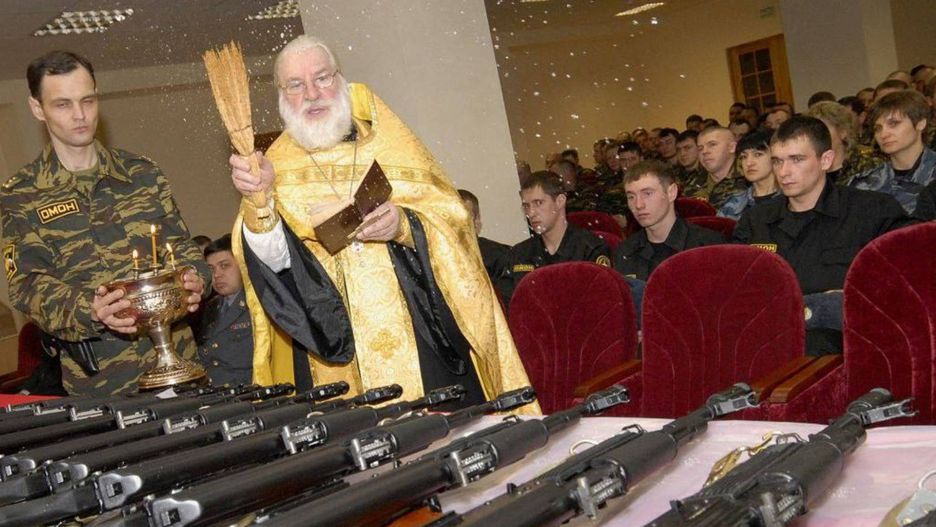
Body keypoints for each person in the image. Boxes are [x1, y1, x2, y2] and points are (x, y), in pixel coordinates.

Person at [228, 36, 535, 411]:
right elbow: (274, 268)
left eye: (322, 78)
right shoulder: (272, 169)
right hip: (329, 343)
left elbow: (453, 220)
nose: (311, 93)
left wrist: (404, 226)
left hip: (418, 328)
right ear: (281, 95)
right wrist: (260, 201)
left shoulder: (393, 144)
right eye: (295, 84)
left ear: (341, 80)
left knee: (437, 435)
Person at [0, 51, 207, 396]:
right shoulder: (21, 195)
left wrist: (196, 278)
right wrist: (91, 309)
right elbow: (27, 285)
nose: (80, 115)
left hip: (180, 366)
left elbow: (182, 247)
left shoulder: (141, 174)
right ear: (37, 108)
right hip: (104, 385)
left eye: (87, 100)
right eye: (63, 105)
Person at [734, 116, 913, 355]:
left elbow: (903, 288)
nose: (784, 172)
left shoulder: (873, 211)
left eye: (797, 159)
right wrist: (820, 306)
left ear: (826, 160)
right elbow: (738, 296)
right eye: (777, 161)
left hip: (847, 348)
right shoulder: (755, 220)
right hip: (768, 343)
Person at [498, 171, 609, 307]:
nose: (531, 213)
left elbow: (601, 303)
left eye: (538, 203)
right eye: (526, 206)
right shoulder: (519, 253)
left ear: (560, 201)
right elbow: (510, 306)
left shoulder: (590, 248)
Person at [614, 160, 724, 281]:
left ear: (671, 192)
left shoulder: (708, 246)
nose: (638, 205)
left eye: (647, 194)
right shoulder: (625, 252)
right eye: (631, 197)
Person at [850, 90, 935, 215]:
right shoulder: (865, 184)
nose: (883, 134)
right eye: (878, 128)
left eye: (893, 124)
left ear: (920, 124)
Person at [196, 235, 253, 386]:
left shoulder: (257, 305)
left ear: (242, 265)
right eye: (211, 269)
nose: (216, 275)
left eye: (224, 266)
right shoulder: (211, 306)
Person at [806, 101, 883, 186]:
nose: (816, 136)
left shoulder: (868, 167)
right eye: (812, 132)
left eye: (823, 130)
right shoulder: (808, 170)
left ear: (843, 132)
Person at [718, 129, 780, 220]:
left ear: (776, 157)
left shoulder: (792, 200)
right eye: (744, 157)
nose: (749, 163)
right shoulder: (734, 204)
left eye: (758, 155)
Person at [684, 126, 746, 208]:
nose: (704, 152)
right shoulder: (692, 185)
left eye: (712, 144)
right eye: (700, 148)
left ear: (731, 147)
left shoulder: (749, 178)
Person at [458, 189, 510, 283]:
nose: (459, 222)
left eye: (465, 216)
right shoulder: (435, 257)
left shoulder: (497, 255)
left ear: (477, 220)